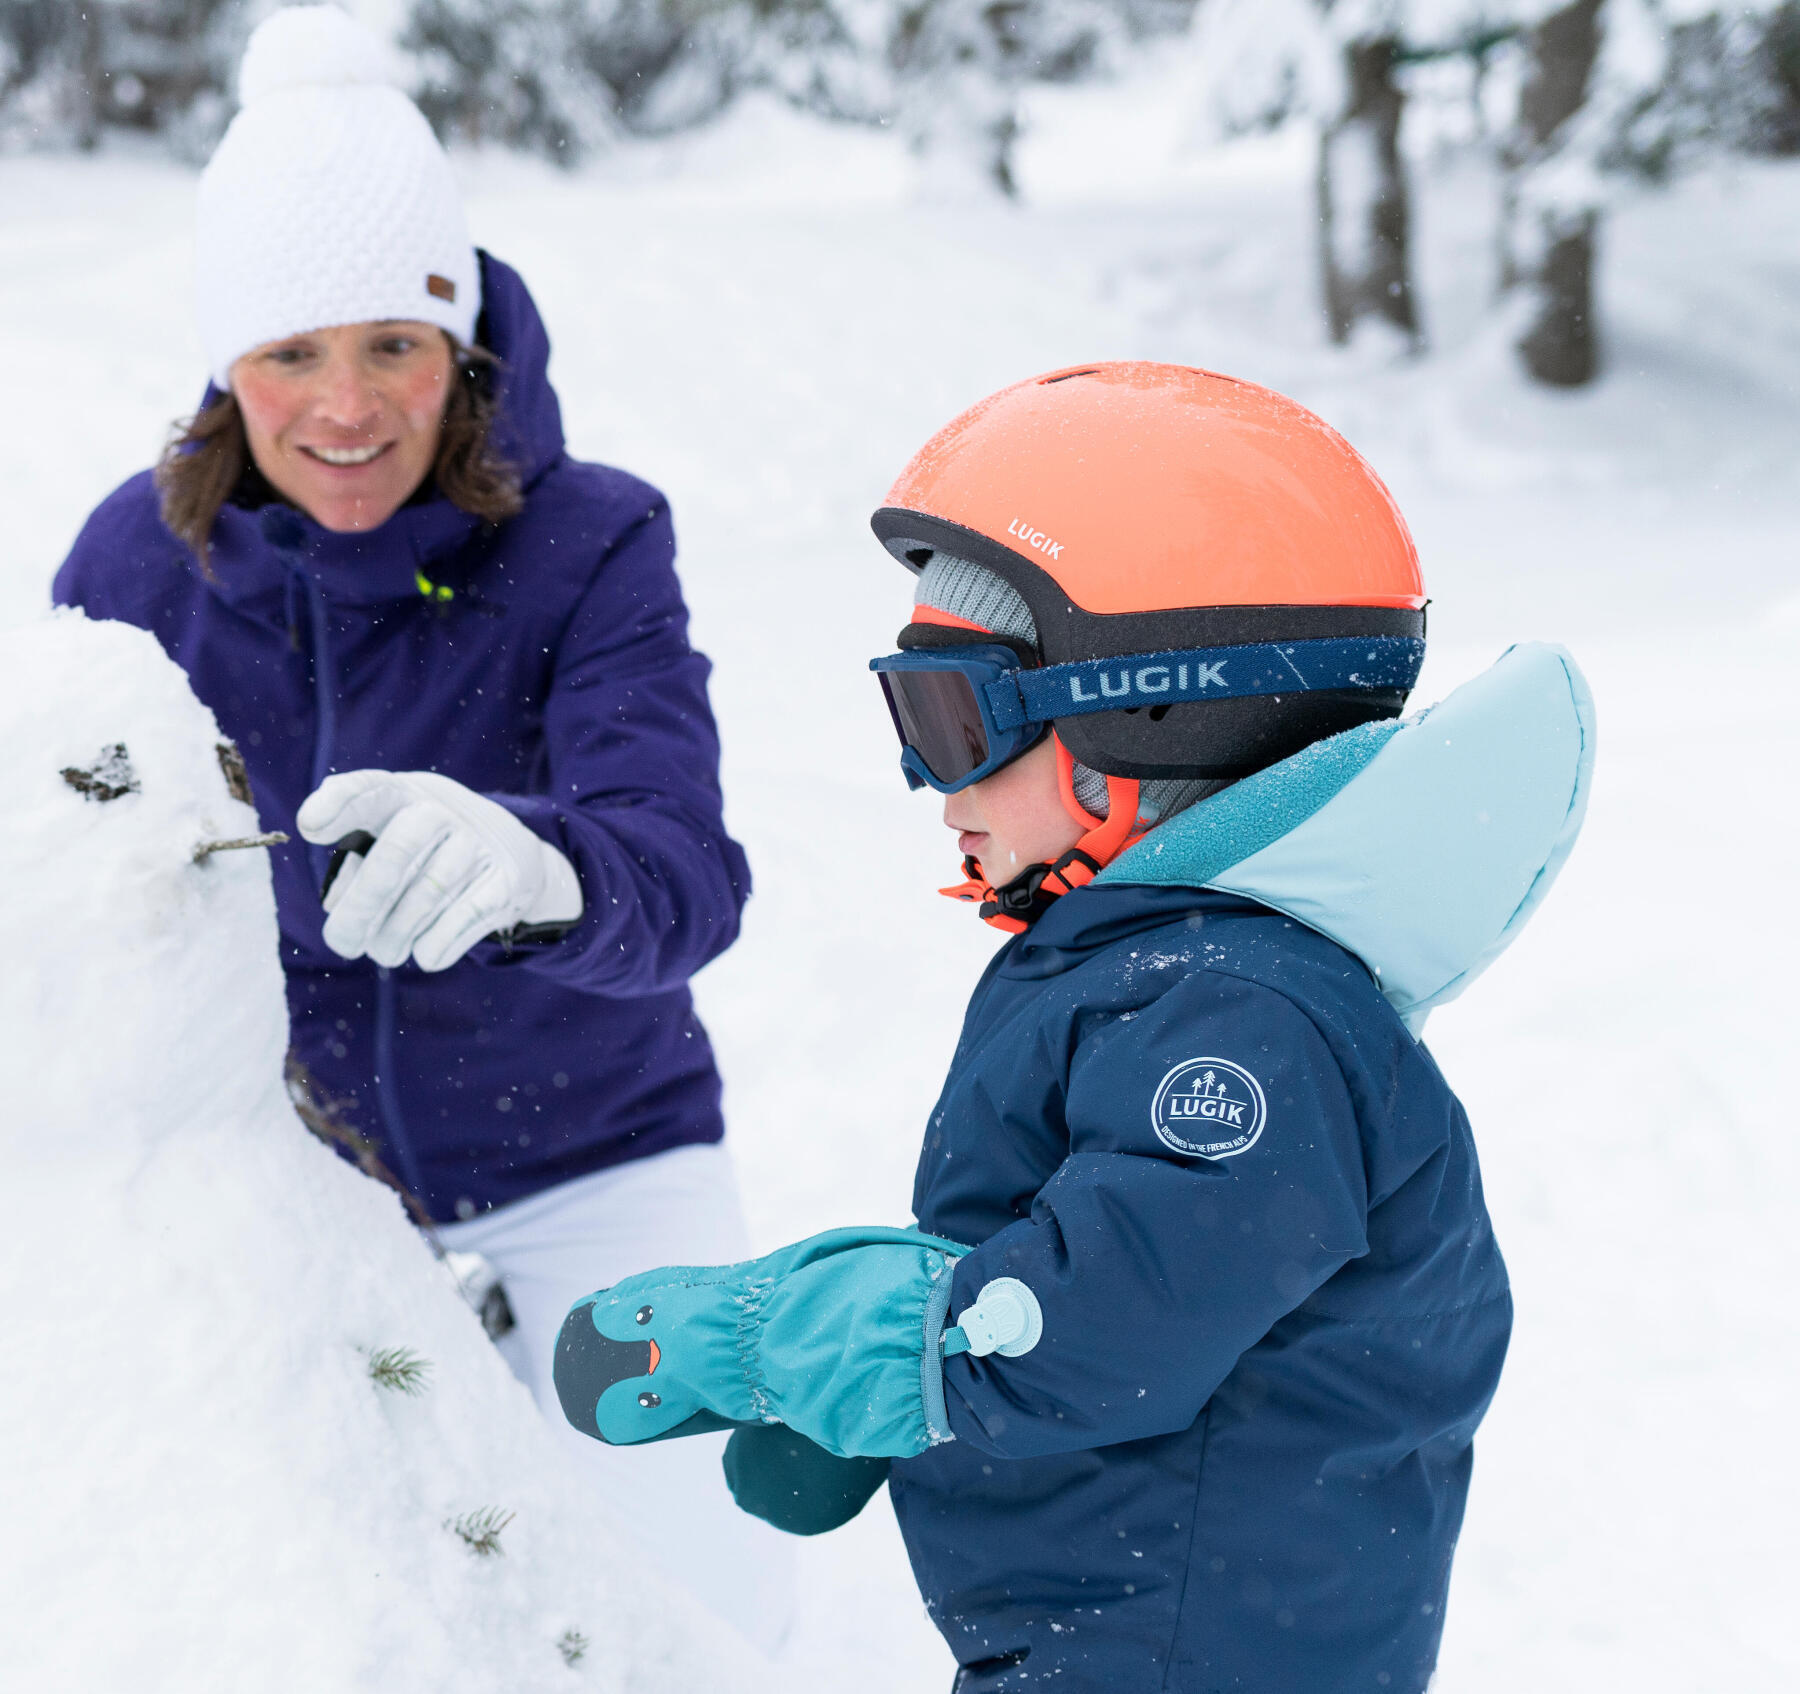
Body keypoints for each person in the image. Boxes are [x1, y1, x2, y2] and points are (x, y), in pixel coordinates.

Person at [551, 363, 1596, 1690]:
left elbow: (1091, 1323)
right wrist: (892, 1392)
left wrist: (800, 1337)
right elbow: (1112, 1271)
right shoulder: (1177, 975)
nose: (930, 780)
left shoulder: (1239, 1019)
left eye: (952, 713)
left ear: (1154, 712)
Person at [52, 5, 791, 1646]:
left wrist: (542, 867)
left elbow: (684, 873)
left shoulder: (594, 544)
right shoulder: (136, 569)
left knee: (706, 1611)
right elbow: (55, 853)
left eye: (392, 342)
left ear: (459, 341)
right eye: (289, 352)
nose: (345, 407)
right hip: (290, 1180)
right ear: (222, 364)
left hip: (596, 1157)